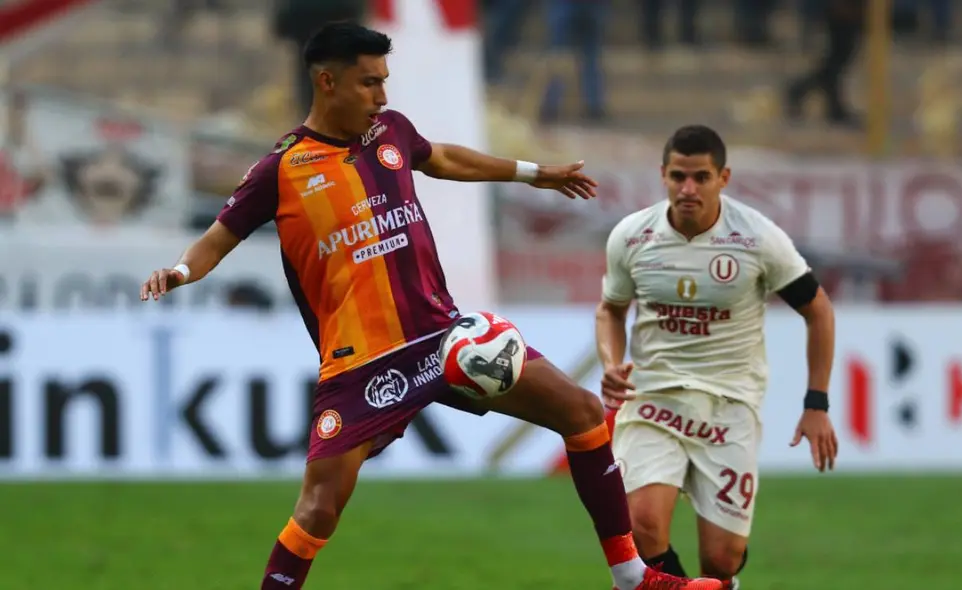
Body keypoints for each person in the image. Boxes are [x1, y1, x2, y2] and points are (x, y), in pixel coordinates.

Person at [139, 22, 723, 590]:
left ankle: (631, 577)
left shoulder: (390, 132)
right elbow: (218, 239)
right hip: (363, 364)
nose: (381, 95)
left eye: (384, 81)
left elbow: (442, 158)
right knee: (318, 509)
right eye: (369, 82)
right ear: (327, 82)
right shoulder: (282, 169)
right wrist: (181, 272)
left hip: (444, 339)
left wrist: (532, 174)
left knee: (583, 412)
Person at [595, 125, 838, 588]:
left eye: (701, 177)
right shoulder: (632, 236)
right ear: (663, 175)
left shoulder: (756, 238)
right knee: (641, 526)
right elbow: (611, 309)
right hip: (654, 399)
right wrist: (611, 362)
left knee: (722, 558)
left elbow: (819, 311)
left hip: (729, 406)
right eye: (678, 176)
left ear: (723, 178)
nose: (688, 188)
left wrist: (817, 404)